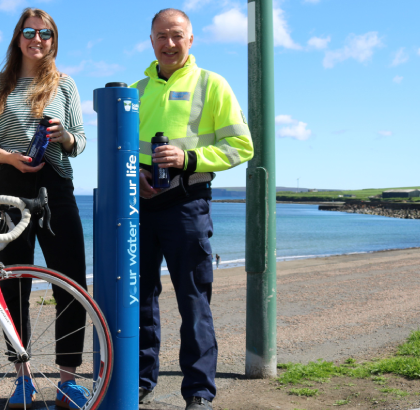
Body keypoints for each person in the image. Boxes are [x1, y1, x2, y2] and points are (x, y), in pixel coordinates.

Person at [132, 9, 254, 410]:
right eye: (161, 37)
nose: (169, 44)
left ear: (191, 39)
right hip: (142, 205)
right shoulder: (136, 90)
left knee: (193, 301)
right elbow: (123, 151)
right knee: (140, 300)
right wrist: (136, 176)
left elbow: (241, 147)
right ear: (150, 40)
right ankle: (140, 381)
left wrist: (189, 158)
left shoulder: (211, 84)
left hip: (187, 205)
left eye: (177, 35)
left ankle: (199, 392)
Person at [0, 8, 89, 409]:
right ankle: (22, 378)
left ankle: (67, 381)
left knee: (71, 284)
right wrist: (9, 158)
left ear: (54, 40)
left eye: (46, 34)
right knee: (12, 286)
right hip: (8, 187)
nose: (37, 39)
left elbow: (82, 142)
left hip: (55, 188)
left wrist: (66, 137)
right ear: (17, 37)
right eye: (29, 32)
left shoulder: (64, 84)